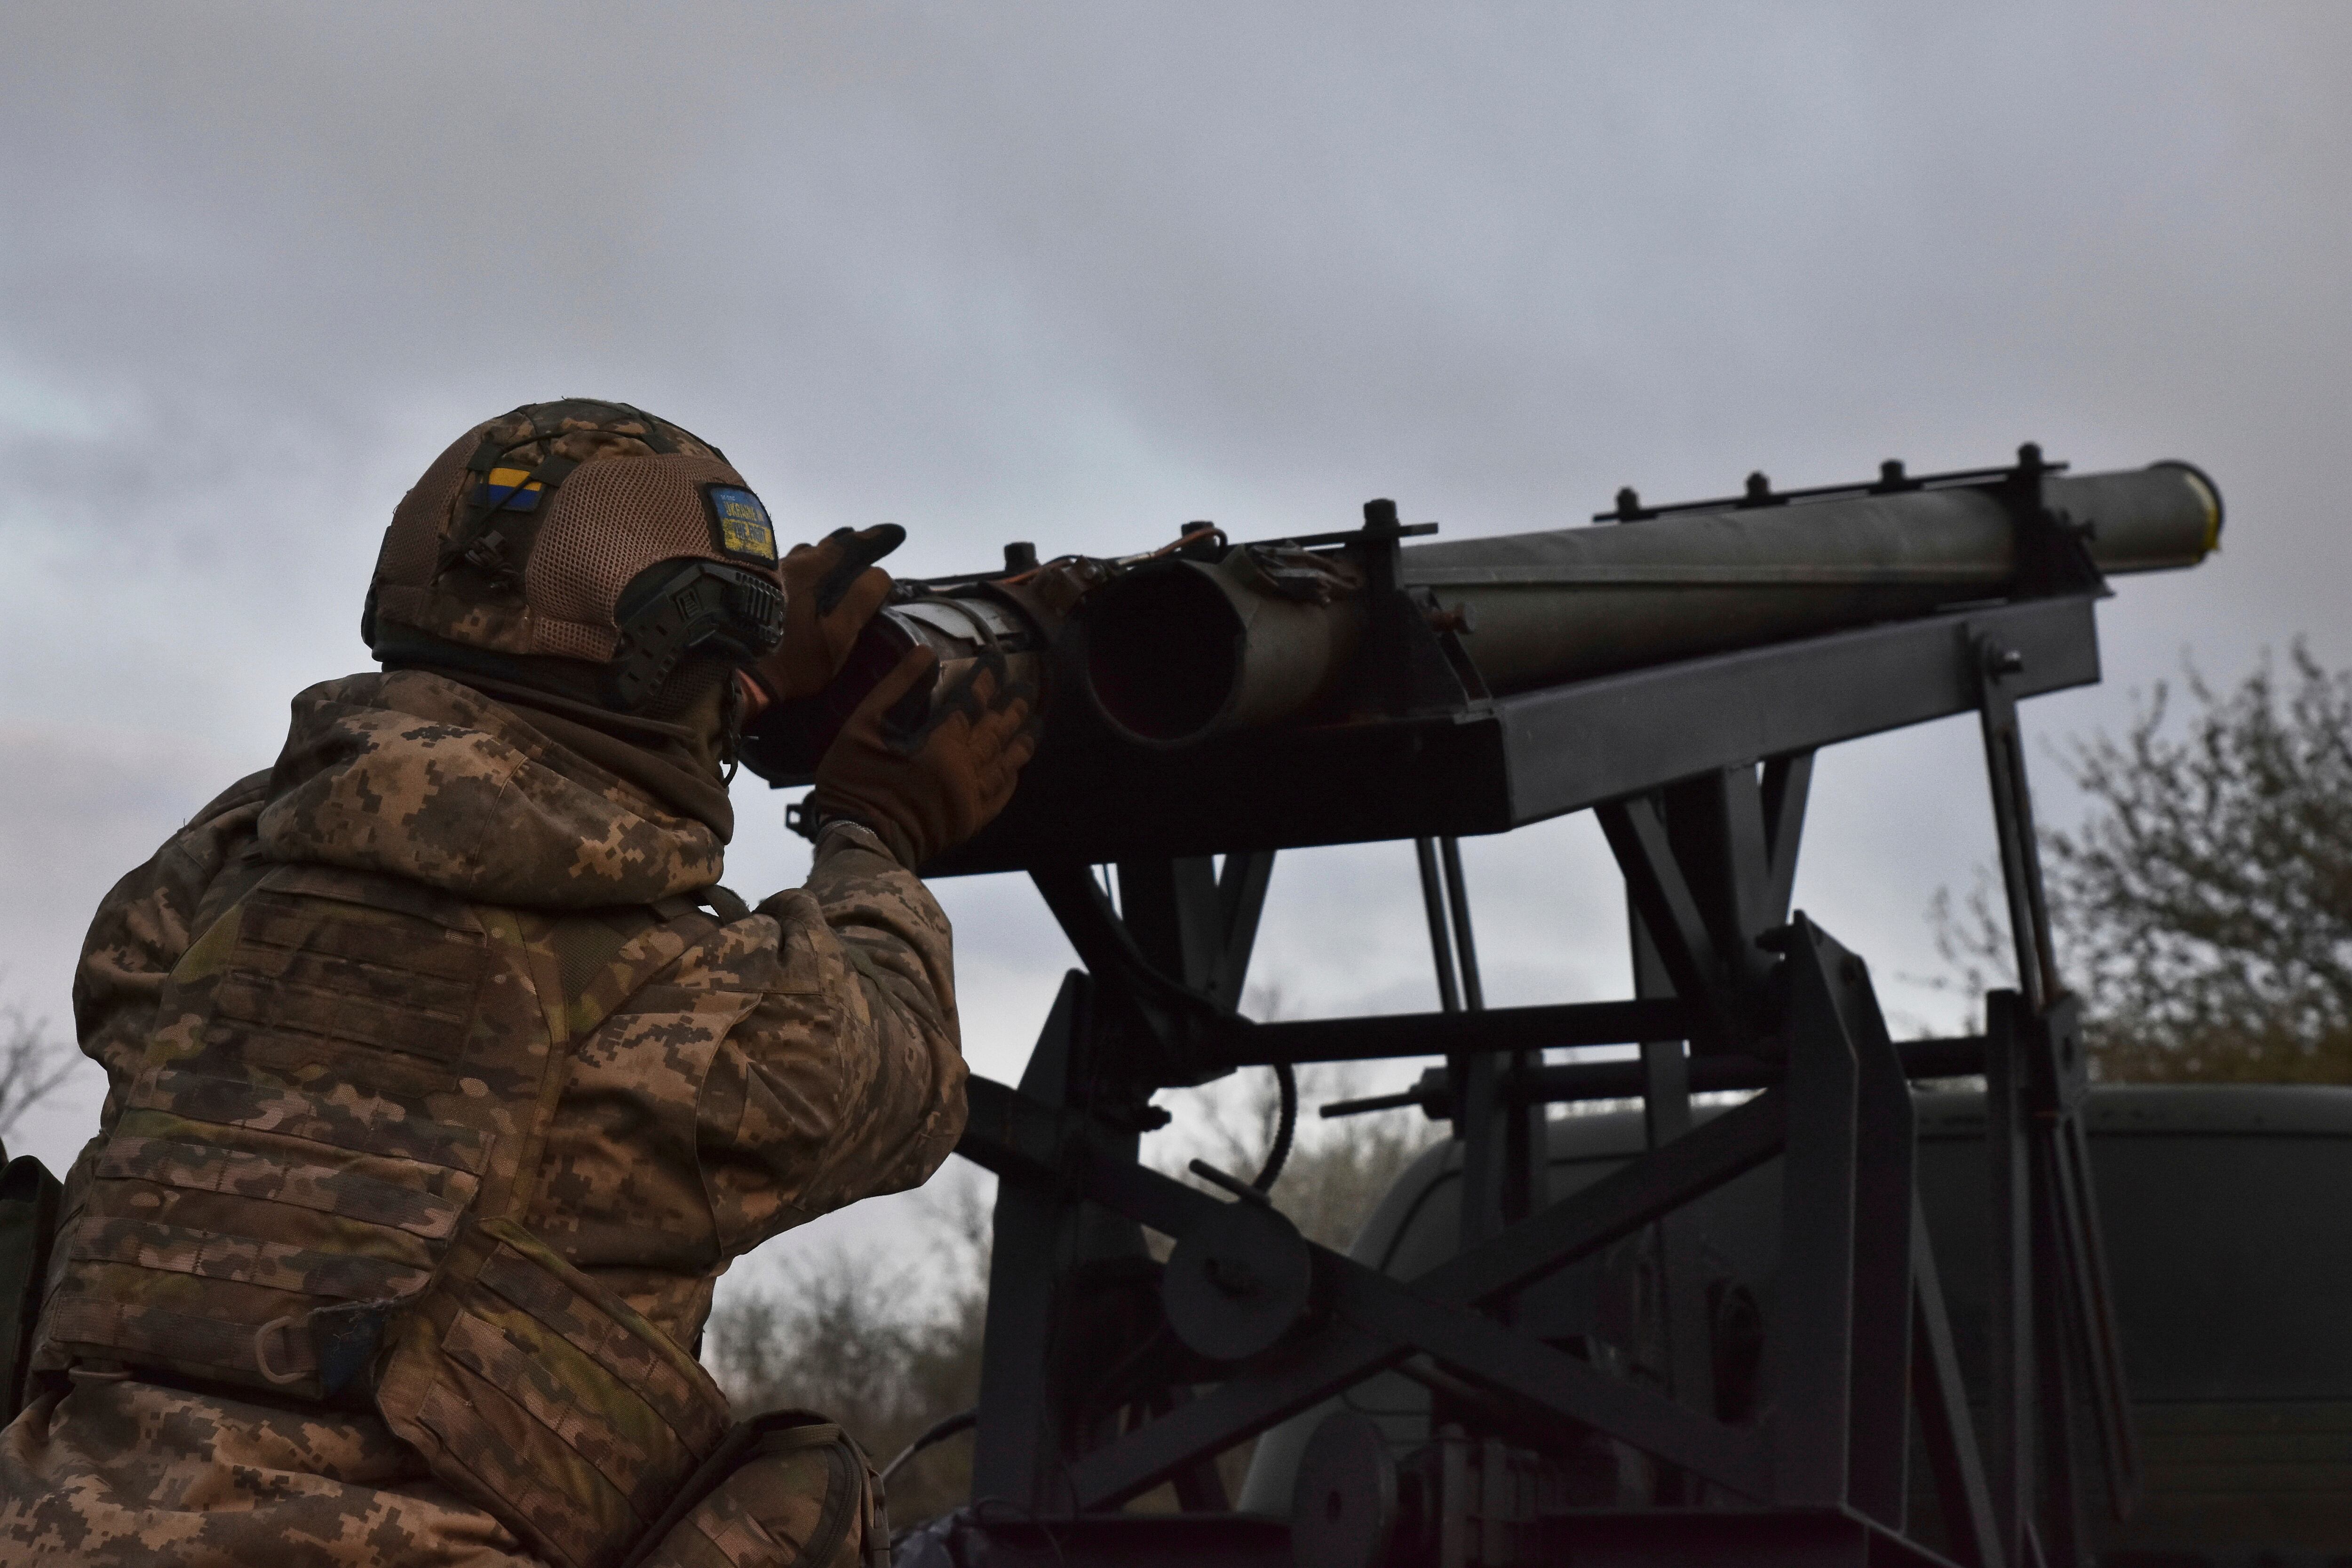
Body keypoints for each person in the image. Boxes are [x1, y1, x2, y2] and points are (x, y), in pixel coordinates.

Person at [0, 400, 1035, 1567]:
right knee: (799, 1503)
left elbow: (371, 782)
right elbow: (902, 1077)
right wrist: (877, 828)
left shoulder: (193, 913)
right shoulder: (708, 1010)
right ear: (681, 667)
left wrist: (713, 677)